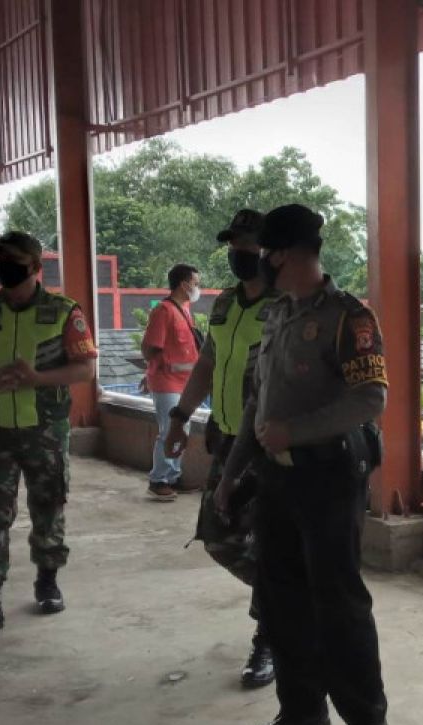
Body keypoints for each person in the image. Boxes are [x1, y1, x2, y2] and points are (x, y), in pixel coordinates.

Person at [216, 204, 390, 725]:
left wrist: (295, 431)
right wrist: (232, 470)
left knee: (338, 603)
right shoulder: (277, 315)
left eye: (263, 252)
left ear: (283, 253)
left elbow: (370, 399)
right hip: (277, 481)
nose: (257, 260)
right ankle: (302, 709)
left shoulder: (349, 317)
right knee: (280, 598)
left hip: (329, 478)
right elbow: (255, 402)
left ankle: (367, 722)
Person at [0, 231, 97, 632]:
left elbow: (86, 369)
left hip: (45, 430)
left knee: (48, 507)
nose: (3, 267)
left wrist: (37, 378)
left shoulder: (64, 311)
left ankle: (47, 583)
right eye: (0, 259)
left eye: (13, 259)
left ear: (35, 267)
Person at [163, 209, 278, 688]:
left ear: (269, 250)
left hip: (269, 448)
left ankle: (269, 638)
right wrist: (179, 416)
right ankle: (288, 599)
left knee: (270, 545)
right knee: (218, 538)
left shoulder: (286, 306)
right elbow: (208, 361)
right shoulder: (226, 303)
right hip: (226, 436)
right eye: (234, 245)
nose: (240, 253)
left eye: (249, 245)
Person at [141, 263, 201, 500]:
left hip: (184, 382)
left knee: (181, 429)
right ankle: (159, 479)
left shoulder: (183, 309)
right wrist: (152, 372)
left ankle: (173, 476)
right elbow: (149, 348)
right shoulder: (164, 311)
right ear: (184, 284)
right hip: (167, 382)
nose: (198, 288)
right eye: (196, 283)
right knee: (169, 431)